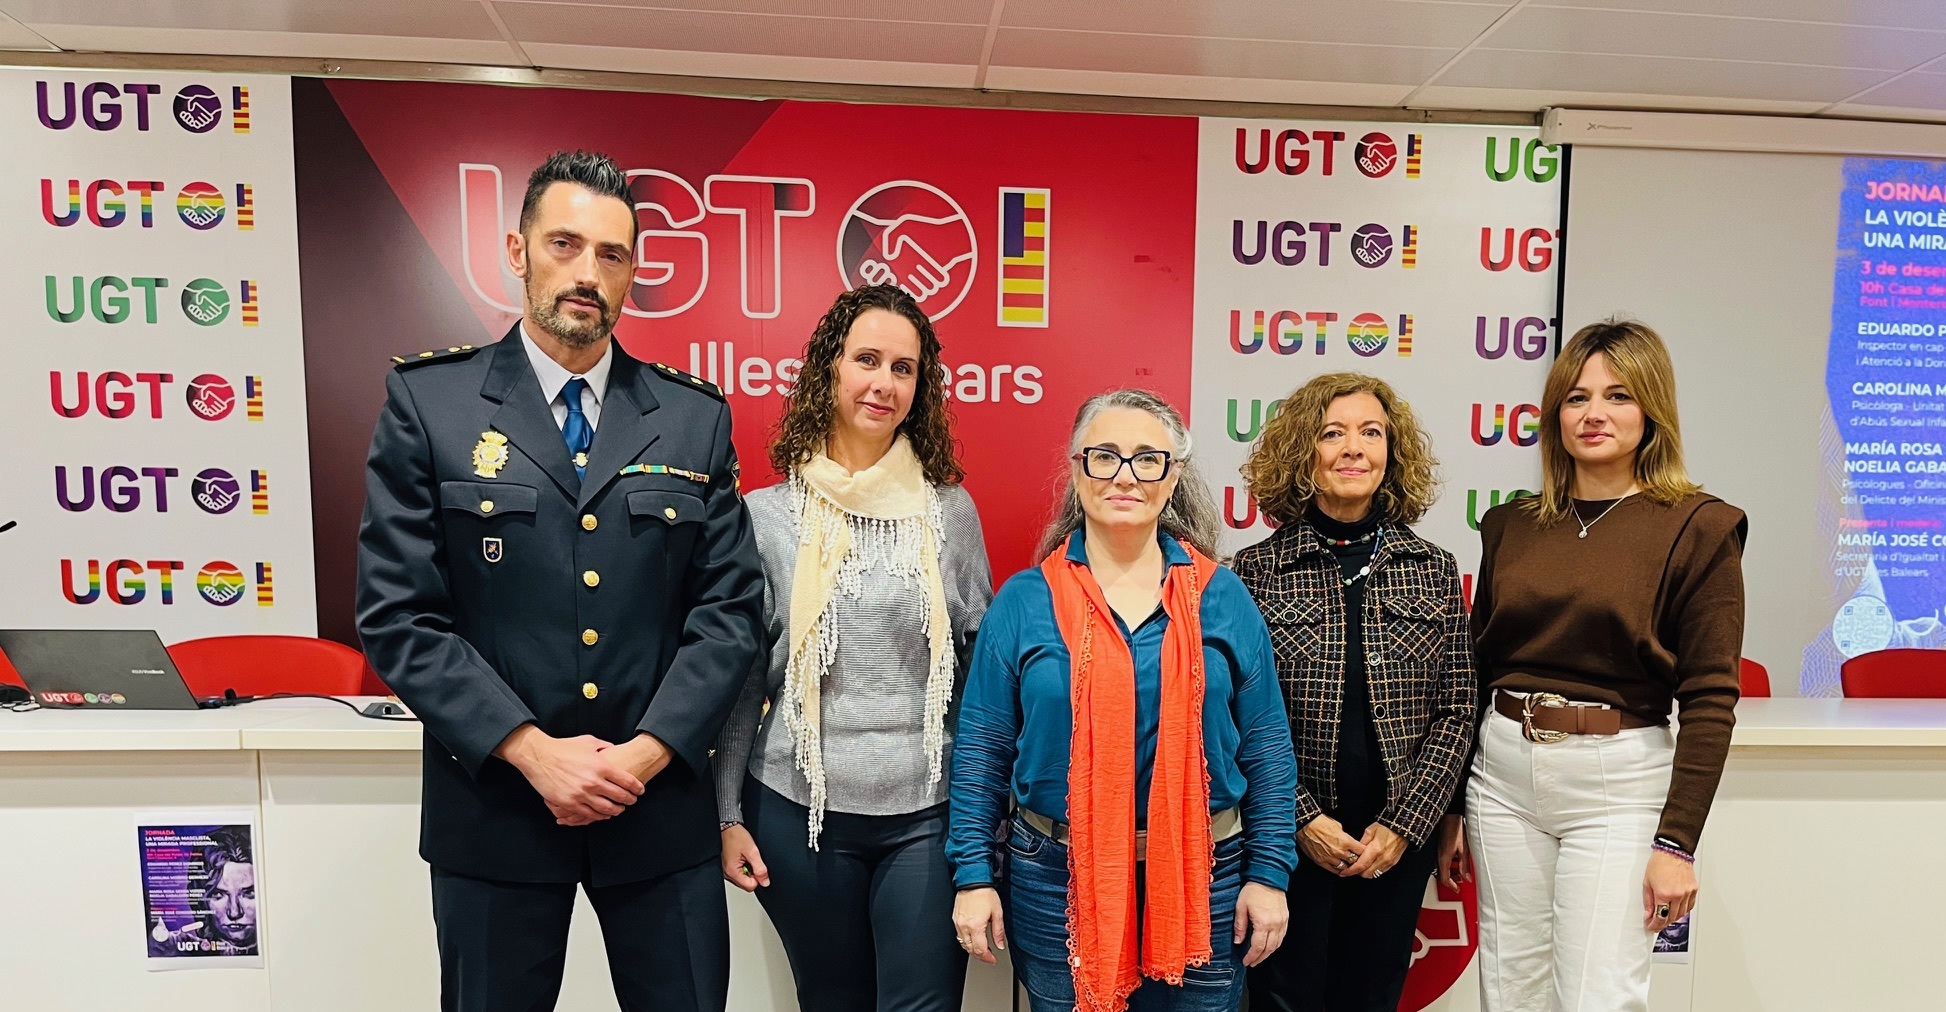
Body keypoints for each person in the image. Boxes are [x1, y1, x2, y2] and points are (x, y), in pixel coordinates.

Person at [355, 150, 764, 1012]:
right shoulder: (433, 403)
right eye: (565, 244)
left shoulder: (693, 417)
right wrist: (536, 755)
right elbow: (399, 616)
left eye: (611, 254)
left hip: (657, 815)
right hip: (497, 810)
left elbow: (729, 613)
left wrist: (644, 758)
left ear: (634, 270)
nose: (587, 273)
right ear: (518, 250)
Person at [947, 388, 1299, 1012]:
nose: (1125, 476)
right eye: (1104, 456)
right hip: (1055, 880)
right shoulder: (1024, 601)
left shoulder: (1223, 597)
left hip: (1207, 879)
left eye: (1148, 458)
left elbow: (1268, 745)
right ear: (1077, 470)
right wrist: (974, 875)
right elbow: (983, 750)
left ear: (1174, 477)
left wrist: (1269, 873)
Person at [1443, 320, 1746, 1012]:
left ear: (1652, 410)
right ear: (1555, 415)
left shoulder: (1699, 528)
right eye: (1577, 398)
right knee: (1509, 992)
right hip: (1502, 777)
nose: (1595, 414)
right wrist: (1455, 804)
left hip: (1617, 783)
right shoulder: (1511, 524)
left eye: (1618, 396)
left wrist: (1677, 842)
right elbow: (1478, 669)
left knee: (1597, 996)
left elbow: (1709, 698)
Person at [714, 283, 993, 1012]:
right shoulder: (767, 517)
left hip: (928, 815)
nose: (884, 383)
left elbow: (978, 676)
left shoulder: (949, 512)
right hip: (798, 811)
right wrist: (727, 815)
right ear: (828, 372)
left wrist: (983, 809)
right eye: (866, 359)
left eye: (904, 369)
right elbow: (744, 681)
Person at [1233, 373, 1476, 1012]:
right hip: (1288, 837)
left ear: (1392, 453)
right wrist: (1301, 819)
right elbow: (1237, 716)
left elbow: (1457, 708)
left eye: (1371, 433)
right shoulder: (1254, 571)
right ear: (1303, 452)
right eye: (1332, 433)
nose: (1354, 448)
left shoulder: (1434, 567)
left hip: (1394, 844)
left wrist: (1405, 825)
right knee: (1283, 1001)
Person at [153, 826, 259, 957]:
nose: (234, 912)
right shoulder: (178, 949)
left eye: (248, 894)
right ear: (201, 901)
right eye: (218, 895)